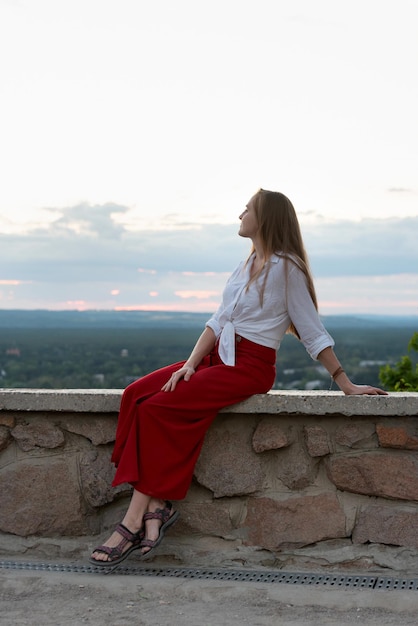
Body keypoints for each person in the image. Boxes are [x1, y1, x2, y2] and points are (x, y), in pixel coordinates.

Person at [89, 188, 387, 568]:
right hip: (216, 358)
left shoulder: (287, 268)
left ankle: (133, 519)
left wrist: (344, 382)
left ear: (265, 218)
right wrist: (190, 365)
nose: (240, 214)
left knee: (157, 409)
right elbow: (218, 321)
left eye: (247, 208)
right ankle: (157, 506)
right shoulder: (246, 265)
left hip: (249, 367)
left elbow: (311, 329)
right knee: (135, 394)